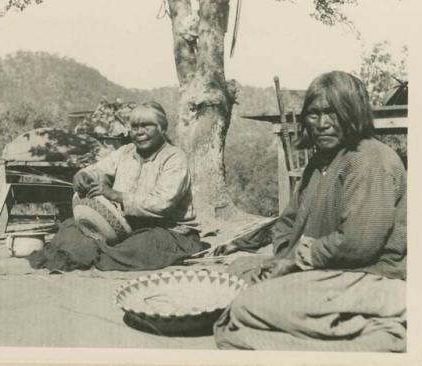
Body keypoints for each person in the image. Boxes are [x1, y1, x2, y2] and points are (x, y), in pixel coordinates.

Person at [214, 71, 407, 352]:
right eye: (314, 114)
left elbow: (357, 244)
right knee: (236, 272)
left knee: (245, 306)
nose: (322, 124)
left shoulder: (369, 160)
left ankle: (375, 333)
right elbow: (288, 220)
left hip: (371, 277)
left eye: (333, 113)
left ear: (354, 113)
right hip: (328, 269)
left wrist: (294, 262)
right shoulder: (321, 161)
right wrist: (274, 253)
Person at [28, 101, 207, 271]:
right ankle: (98, 250)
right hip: (127, 227)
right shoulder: (125, 152)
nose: (139, 132)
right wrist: (83, 175)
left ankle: (95, 252)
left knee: (140, 246)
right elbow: (97, 170)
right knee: (70, 227)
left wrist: (116, 195)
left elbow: (162, 204)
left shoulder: (174, 158)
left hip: (169, 231)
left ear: (162, 128)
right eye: (135, 127)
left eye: (147, 126)